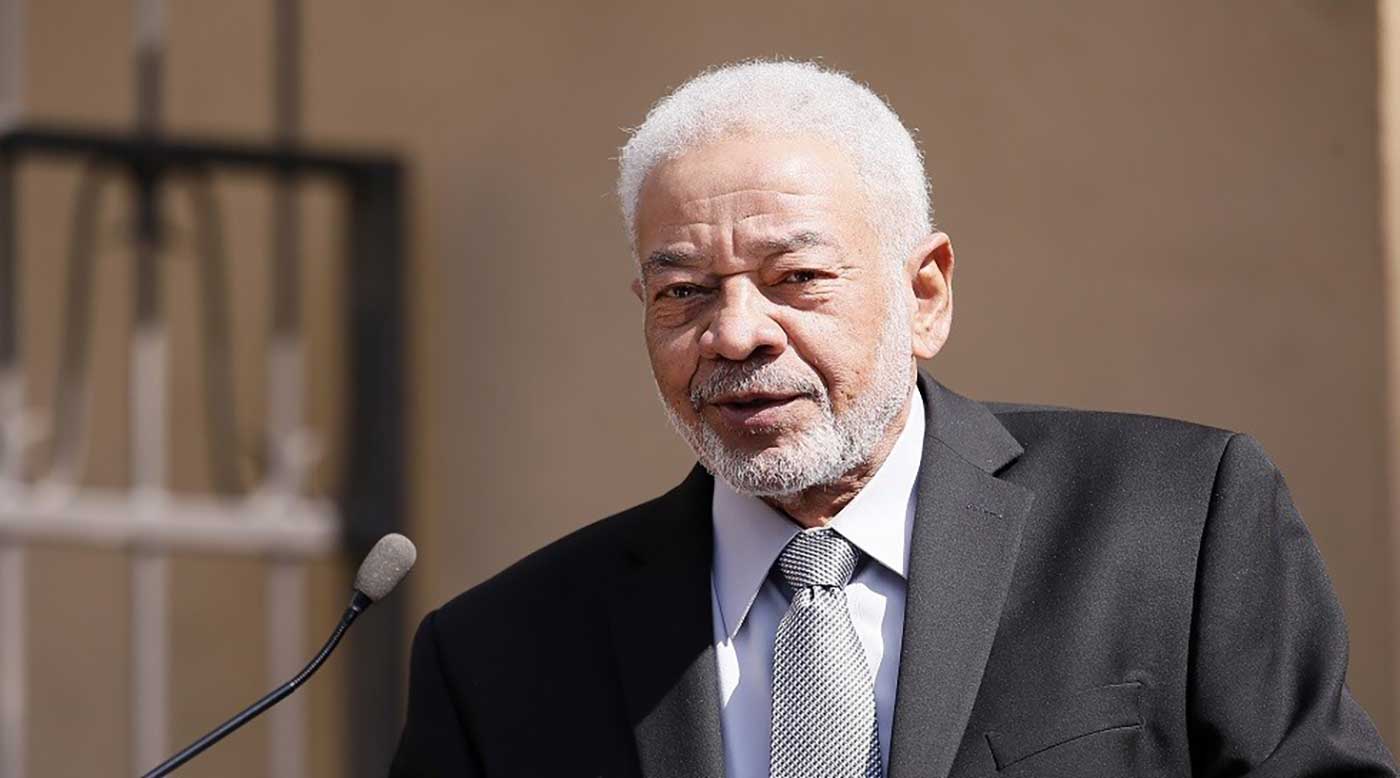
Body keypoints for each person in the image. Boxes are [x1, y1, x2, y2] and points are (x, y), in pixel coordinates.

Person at [389, 60, 1397, 777]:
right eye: (683, 292)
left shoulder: (1172, 523)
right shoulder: (500, 655)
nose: (734, 333)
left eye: (797, 278)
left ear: (925, 294)